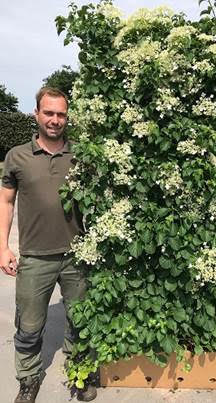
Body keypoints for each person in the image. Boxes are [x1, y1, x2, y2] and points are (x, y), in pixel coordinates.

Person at [0, 87, 97, 403]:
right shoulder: (17, 157)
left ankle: (79, 374)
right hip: (34, 258)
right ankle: (28, 380)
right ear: (36, 114)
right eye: (49, 113)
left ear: (67, 117)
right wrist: (3, 247)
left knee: (80, 321)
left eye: (61, 114)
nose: (55, 120)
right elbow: (6, 201)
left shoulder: (82, 156)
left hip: (76, 257)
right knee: (28, 326)